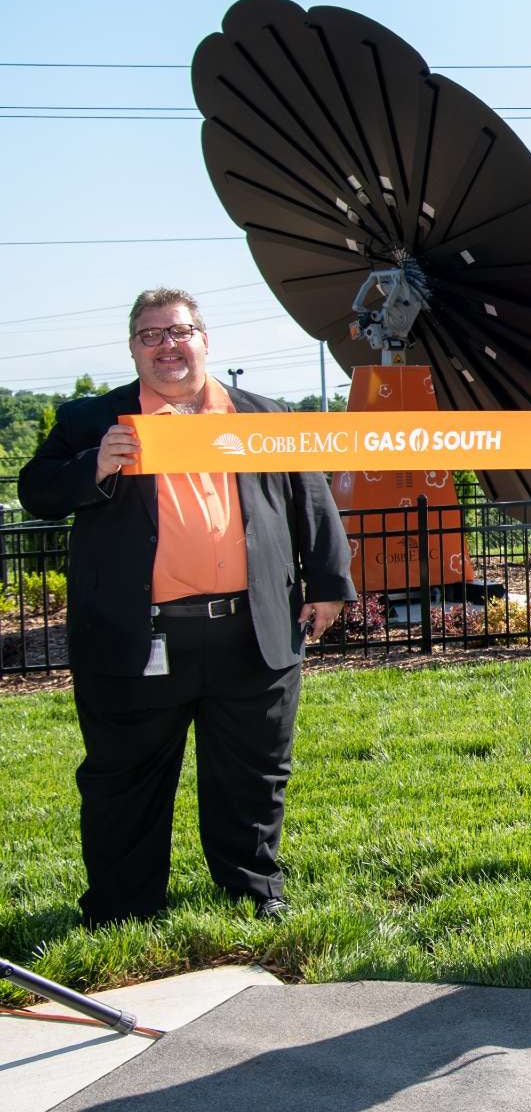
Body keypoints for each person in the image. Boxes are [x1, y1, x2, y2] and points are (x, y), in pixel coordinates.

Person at [21, 288, 355, 926]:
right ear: (132, 348)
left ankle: (251, 895)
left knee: (253, 776)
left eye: (178, 332)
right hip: (137, 638)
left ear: (204, 339)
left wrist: (328, 584)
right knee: (125, 780)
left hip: (251, 630)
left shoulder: (263, 417)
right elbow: (37, 490)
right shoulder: (92, 420)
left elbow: (312, 500)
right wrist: (93, 467)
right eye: (150, 335)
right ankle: (123, 910)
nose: (166, 345)